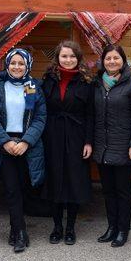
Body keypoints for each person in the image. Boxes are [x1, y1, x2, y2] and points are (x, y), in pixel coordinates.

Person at [0, 48, 46, 253]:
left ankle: (15, 227)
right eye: (13, 63)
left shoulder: (32, 87)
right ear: (7, 65)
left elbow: (39, 117)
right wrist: (5, 142)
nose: (17, 67)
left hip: (28, 145)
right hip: (5, 144)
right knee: (11, 189)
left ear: (28, 66)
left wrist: (26, 141)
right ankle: (19, 231)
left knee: (26, 187)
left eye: (21, 63)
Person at [41, 41, 94, 245]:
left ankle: (70, 227)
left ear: (78, 59)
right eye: (64, 56)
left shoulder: (87, 81)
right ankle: (56, 227)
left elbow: (91, 114)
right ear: (58, 58)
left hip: (77, 136)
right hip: (52, 135)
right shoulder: (48, 80)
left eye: (72, 56)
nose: (68, 60)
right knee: (55, 179)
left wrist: (88, 141)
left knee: (74, 181)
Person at [93, 44, 131, 248]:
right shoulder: (98, 84)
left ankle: (123, 229)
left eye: (116, 58)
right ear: (103, 62)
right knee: (107, 190)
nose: (112, 62)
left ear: (123, 61)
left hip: (124, 147)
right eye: (108, 59)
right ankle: (111, 227)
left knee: (122, 191)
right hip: (103, 146)